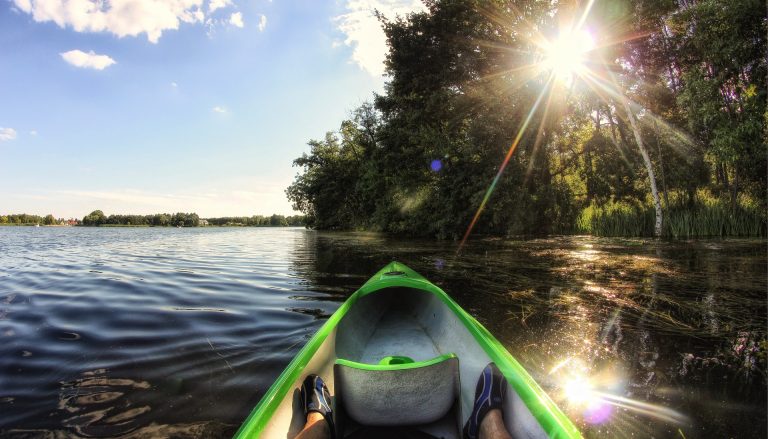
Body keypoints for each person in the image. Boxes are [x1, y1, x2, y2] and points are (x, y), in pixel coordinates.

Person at [295, 363, 513, 439]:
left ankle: (320, 426)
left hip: (358, 423)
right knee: (496, 434)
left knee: (315, 430)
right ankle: (487, 428)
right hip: (436, 414)